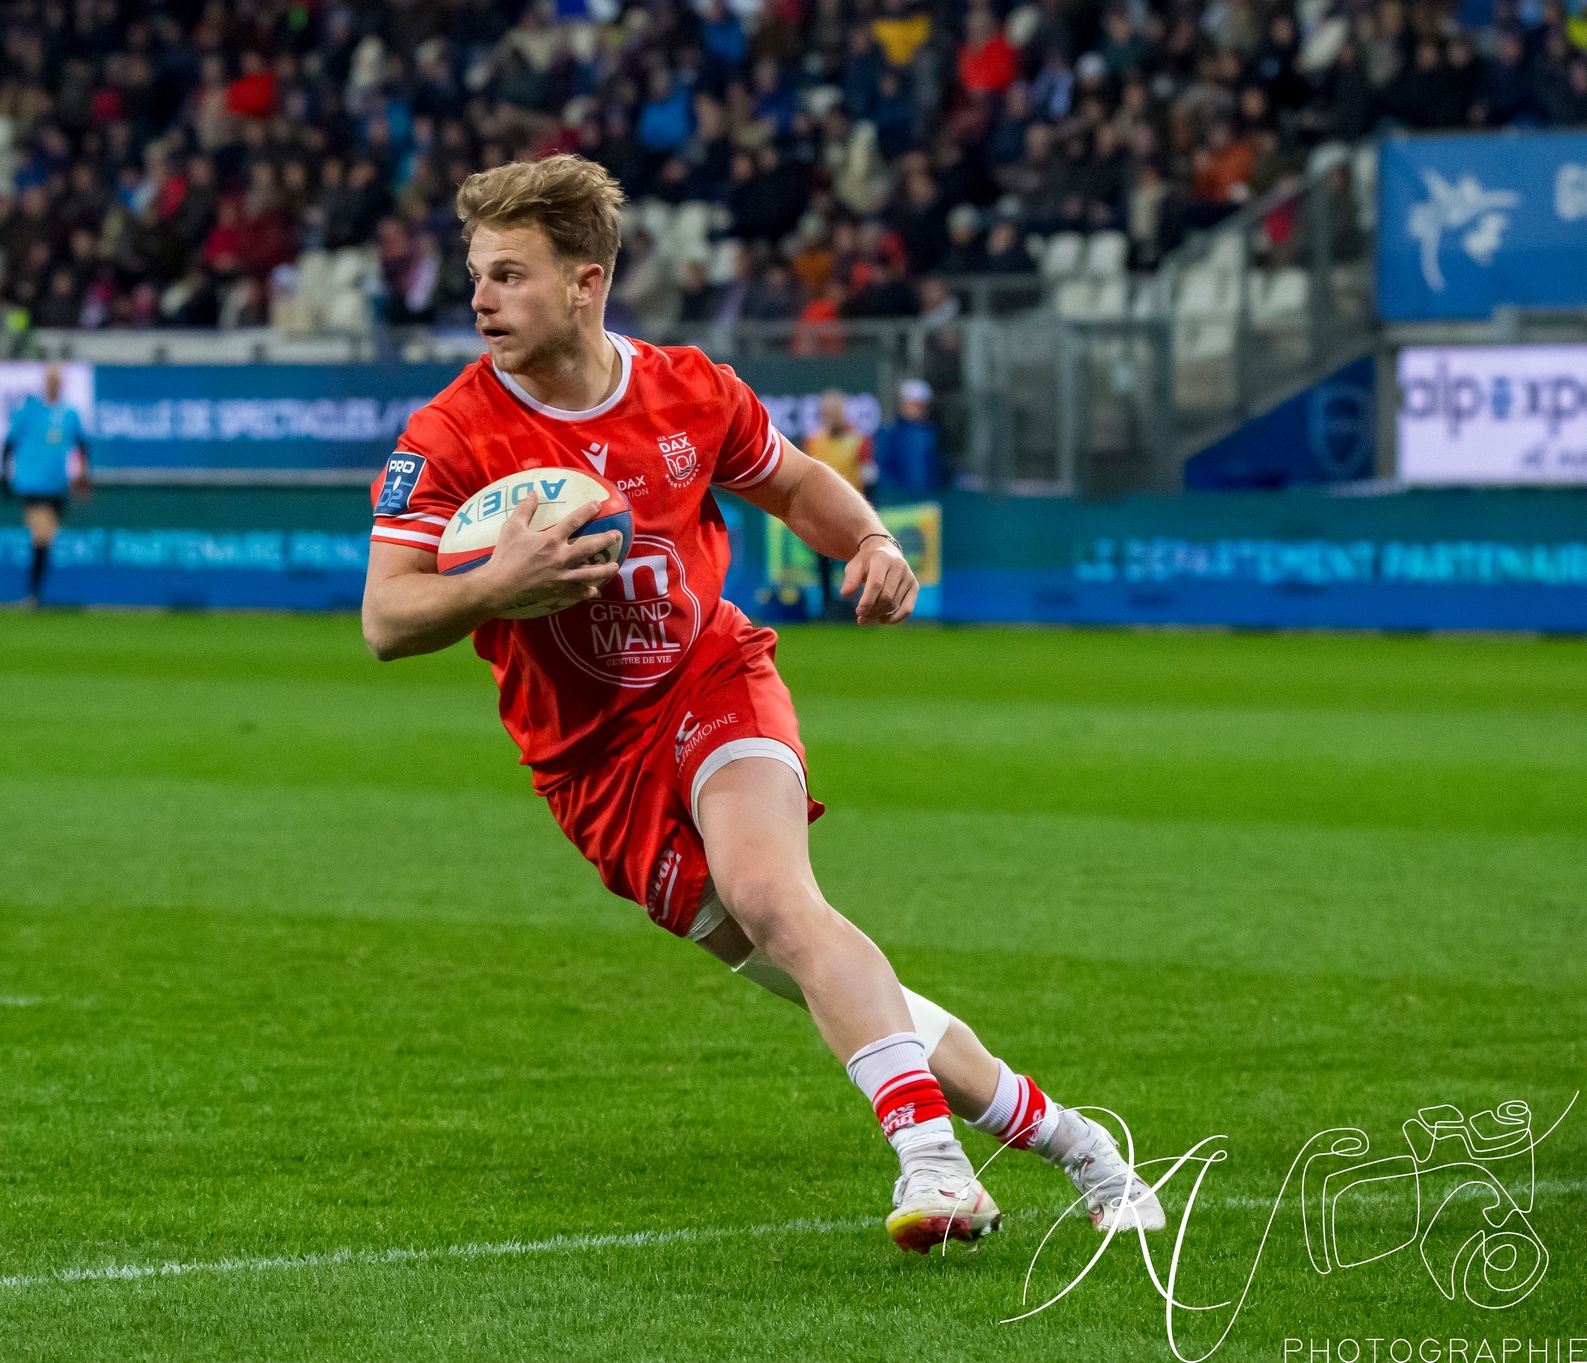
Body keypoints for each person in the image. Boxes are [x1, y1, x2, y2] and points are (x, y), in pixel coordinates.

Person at [359, 155, 1162, 1255]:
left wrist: (873, 540)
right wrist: (503, 584)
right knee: (817, 967)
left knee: (771, 890)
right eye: (476, 275)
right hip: (590, 768)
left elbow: (791, 483)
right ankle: (1081, 1145)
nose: (479, 299)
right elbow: (386, 619)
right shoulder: (448, 436)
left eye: (508, 274)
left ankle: (933, 1167)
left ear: (586, 282)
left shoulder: (689, 388)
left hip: (709, 680)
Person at [0, 363, 90, 606]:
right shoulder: (30, 411)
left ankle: (35, 593)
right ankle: (33, 593)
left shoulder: (69, 414)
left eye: (57, 379)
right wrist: (4, 477)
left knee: (46, 540)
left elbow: (82, 445)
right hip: (33, 485)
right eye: (50, 378)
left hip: (57, 487)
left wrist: (83, 474)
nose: (53, 383)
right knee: (42, 536)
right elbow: (8, 444)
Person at [800, 390, 874, 617]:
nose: (832, 416)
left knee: (855, 560)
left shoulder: (859, 440)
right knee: (823, 560)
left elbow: (869, 478)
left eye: (836, 411)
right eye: (827, 412)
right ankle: (827, 605)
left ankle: (856, 606)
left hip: (852, 513)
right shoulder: (813, 441)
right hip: (821, 513)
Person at [873, 378, 943, 503]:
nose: (919, 410)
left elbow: (933, 470)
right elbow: (884, 472)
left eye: (923, 406)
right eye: (915, 404)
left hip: (926, 505)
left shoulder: (929, 434)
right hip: (897, 504)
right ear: (904, 404)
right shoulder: (889, 434)